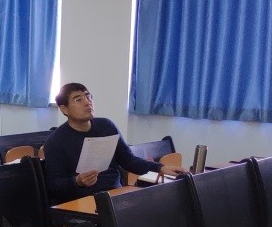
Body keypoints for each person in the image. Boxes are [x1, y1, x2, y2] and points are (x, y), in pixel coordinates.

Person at [41, 83, 185, 204]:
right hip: (82, 201)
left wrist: (161, 168)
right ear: (64, 109)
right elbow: (54, 185)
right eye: (78, 99)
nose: (87, 102)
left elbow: (128, 160)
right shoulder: (55, 141)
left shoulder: (106, 126)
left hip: (116, 194)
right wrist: (77, 181)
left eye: (88, 96)